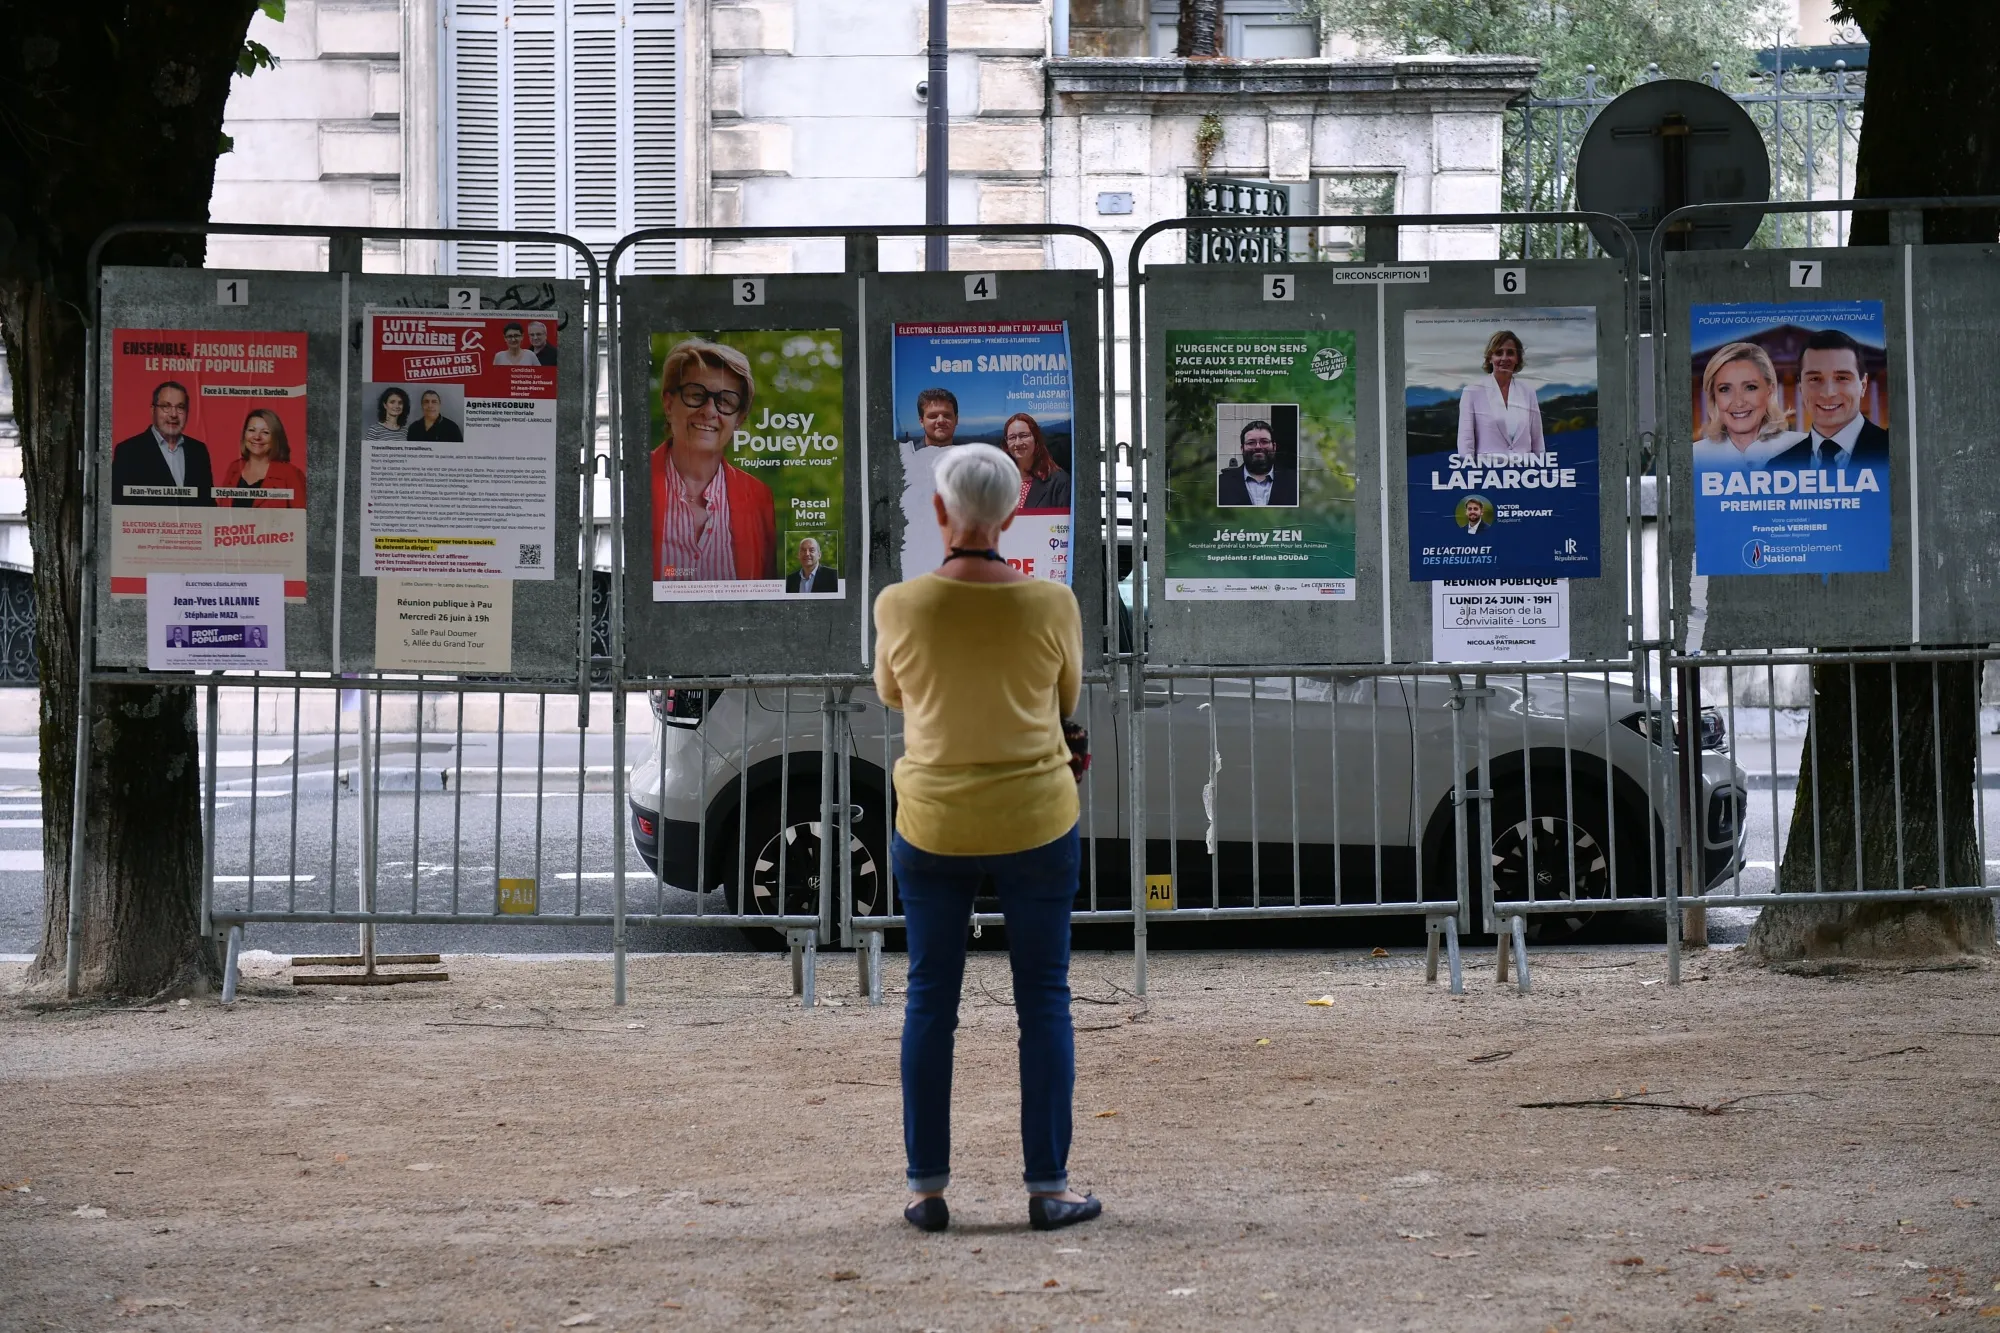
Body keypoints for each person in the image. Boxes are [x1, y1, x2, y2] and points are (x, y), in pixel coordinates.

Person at [872, 442, 1099, 1236]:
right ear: (1012, 514)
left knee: (931, 999)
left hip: (931, 822)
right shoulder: (1052, 604)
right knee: (1044, 999)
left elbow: (894, 692)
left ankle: (926, 1188)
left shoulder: (898, 605)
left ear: (940, 511)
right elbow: (1064, 695)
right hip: (1037, 816)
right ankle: (1049, 1186)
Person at [651, 338, 778, 582]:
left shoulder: (759, 496)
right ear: (668, 404)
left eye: (725, 401)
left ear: (739, 419)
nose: (709, 411)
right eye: (696, 395)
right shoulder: (634, 480)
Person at [1765, 329, 1889, 470]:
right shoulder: (1776, 467)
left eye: (1842, 378)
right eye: (1815, 379)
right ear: (1801, 387)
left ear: (1863, 385)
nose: (1828, 393)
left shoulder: (1896, 451)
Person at [1691, 341, 1802, 473]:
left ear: (1770, 390)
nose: (1739, 402)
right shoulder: (1695, 457)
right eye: (1725, 389)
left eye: (1750, 387)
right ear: (1714, 396)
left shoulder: (1804, 450)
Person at [111, 380, 214, 506]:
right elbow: (120, 505)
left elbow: (208, 504)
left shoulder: (198, 451)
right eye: (166, 406)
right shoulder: (128, 451)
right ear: (153, 410)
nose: (173, 414)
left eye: (180, 407)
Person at [1455, 330, 1545, 460]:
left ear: (1517, 358)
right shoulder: (1472, 392)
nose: (1504, 358)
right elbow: (1465, 442)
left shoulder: (1528, 392)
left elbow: (1538, 441)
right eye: (1498, 353)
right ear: (1490, 358)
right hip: (1488, 475)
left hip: (1524, 474)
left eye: (1510, 353)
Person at [899, 388, 961, 576]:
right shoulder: (901, 461)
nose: (940, 421)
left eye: (947, 415)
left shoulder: (970, 461)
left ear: (956, 419)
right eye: (933, 416)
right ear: (921, 420)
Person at [216, 408, 306, 509]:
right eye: (251, 430)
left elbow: (302, 519)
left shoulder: (290, 473)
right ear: (244, 434)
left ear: (275, 438)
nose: (257, 437)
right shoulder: (234, 468)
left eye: (265, 432)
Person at [1216, 418, 1297, 507]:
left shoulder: (1295, 481)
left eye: (1264, 441)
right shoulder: (1221, 484)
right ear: (1242, 449)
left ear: (1274, 447)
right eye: (1251, 443)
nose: (1258, 447)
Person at [1002, 413, 1071, 512]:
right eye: (1012, 437)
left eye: (1023, 436)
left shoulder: (1059, 482)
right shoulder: (999, 481)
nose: (1018, 443)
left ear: (1036, 438)